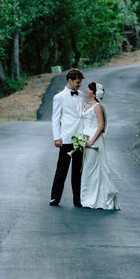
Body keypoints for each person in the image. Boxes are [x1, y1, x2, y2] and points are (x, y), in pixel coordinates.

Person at [78, 81, 120, 210]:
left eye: (89, 89)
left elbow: (101, 126)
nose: (86, 90)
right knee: (86, 168)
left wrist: (91, 141)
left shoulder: (97, 107)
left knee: (93, 169)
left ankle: (98, 199)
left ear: (94, 93)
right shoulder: (85, 106)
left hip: (94, 140)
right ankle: (87, 198)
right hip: (84, 138)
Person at [49, 68, 85, 207]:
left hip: (80, 138)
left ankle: (78, 199)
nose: (79, 85)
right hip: (66, 138)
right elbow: (55, 119)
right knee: (62, 170)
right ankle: (55, 198)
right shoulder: (59, 97)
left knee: (78, 171)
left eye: (80, 82)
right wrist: (57, 138)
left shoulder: (81, 95)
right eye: (77, 82)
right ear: (70, 80)